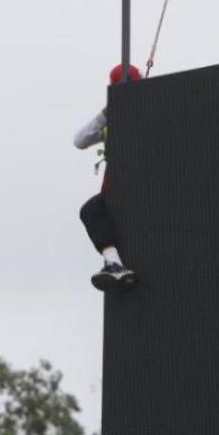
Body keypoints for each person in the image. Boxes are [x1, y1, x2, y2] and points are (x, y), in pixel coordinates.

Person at [75, 64, 139, 291]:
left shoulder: (149, 112)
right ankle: (114, 263)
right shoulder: (111, 122)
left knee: (92, 210)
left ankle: (114, 263)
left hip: (136, 182)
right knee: (92, 211)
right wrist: (105, 114)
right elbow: (79, 140)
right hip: (115, 186)